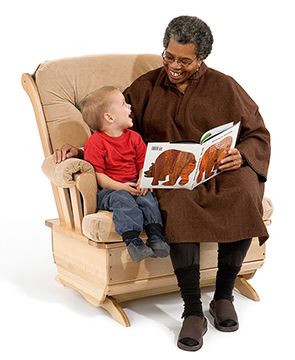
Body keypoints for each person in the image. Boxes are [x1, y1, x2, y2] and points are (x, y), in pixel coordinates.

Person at [55, 16, 270, 352]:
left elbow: (257, 132)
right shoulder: (145, 87)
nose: (173, 66)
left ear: (202, 58)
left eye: (184, 60)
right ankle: (194, 310)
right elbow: (113, 131)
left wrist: (241, 155)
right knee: (176, 201)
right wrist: (80, 150)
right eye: (169, 56)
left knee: (244, 190)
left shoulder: (225, 86)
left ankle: (224, 294)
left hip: (217, 170)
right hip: (170, 175)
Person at [79, 86, 170, 262]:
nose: (129, 107)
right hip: (111, 190)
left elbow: (144, 164)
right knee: (123, 200)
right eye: (123, 104)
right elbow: (100, 177)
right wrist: (122, 187)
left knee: (148, 199)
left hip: (135, 184)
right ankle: (132, 241)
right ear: (109, 117)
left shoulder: (134, 138)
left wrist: (143, 180)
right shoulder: (95, 142)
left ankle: (156, 236)